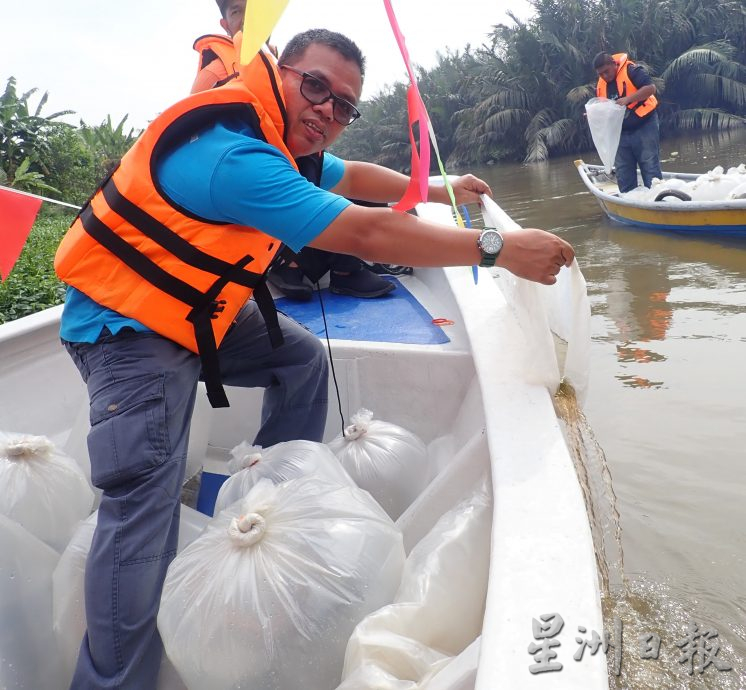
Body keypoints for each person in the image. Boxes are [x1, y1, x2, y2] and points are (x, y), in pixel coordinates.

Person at [54, 28, 574, 689]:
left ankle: (269, 514)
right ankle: (110, 681)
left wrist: (445, 190)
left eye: (345, 105)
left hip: (194, 314)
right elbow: (364, 229)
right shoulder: (235, 155)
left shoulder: (284, 141)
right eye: (317, 87)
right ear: (281, 72)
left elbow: (356, 179)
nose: (328, 110)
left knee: (296, 360)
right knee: (142, 504)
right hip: (126, 328)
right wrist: (497, 247)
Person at [192, 0, 392, 299]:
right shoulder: (216, 71)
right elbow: (198, 129)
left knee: (341, 178)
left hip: (281, 167)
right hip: (244, 180)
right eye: (237, 11)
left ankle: (343, 270)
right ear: (225, 24)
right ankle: (290, 264)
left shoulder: (276, 64)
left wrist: (432, 190)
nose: (249, 18)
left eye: (255, 8)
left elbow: (350, 175)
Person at [594, 51, 662, 193]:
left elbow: (651, 88)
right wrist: (593, 115)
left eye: (607, 71)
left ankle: (657, 201)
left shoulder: (632, 70)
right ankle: (630, 202)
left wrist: (628, 99)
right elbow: (604, 108)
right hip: (620, 132)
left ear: (614, 64)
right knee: (623, 171)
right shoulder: (601, 85)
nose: (605, 76)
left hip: (645, 125)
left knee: (649, 165)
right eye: (601, 74)